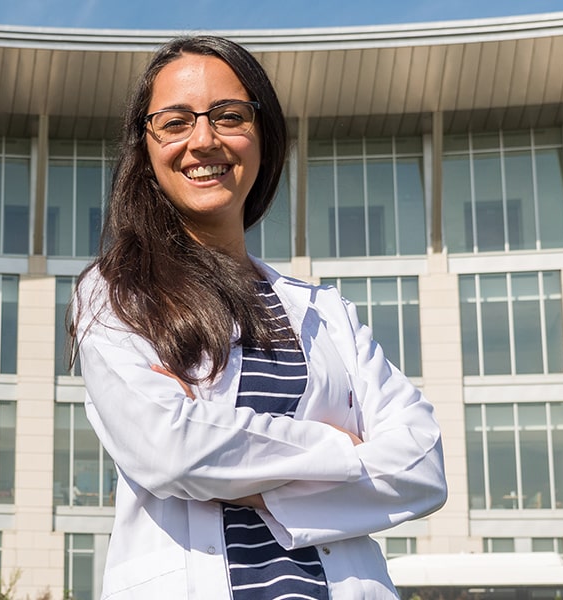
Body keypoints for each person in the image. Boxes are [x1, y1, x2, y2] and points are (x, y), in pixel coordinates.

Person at [70, 36, 446, 599]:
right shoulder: (114, 293)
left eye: (228, 116)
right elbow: (171, 450)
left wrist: (237, 474)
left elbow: (422, 467)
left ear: (262, 137)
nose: (203, 140)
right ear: (145, 151)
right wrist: (340, 447)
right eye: (174, 123)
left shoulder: (327, 313)